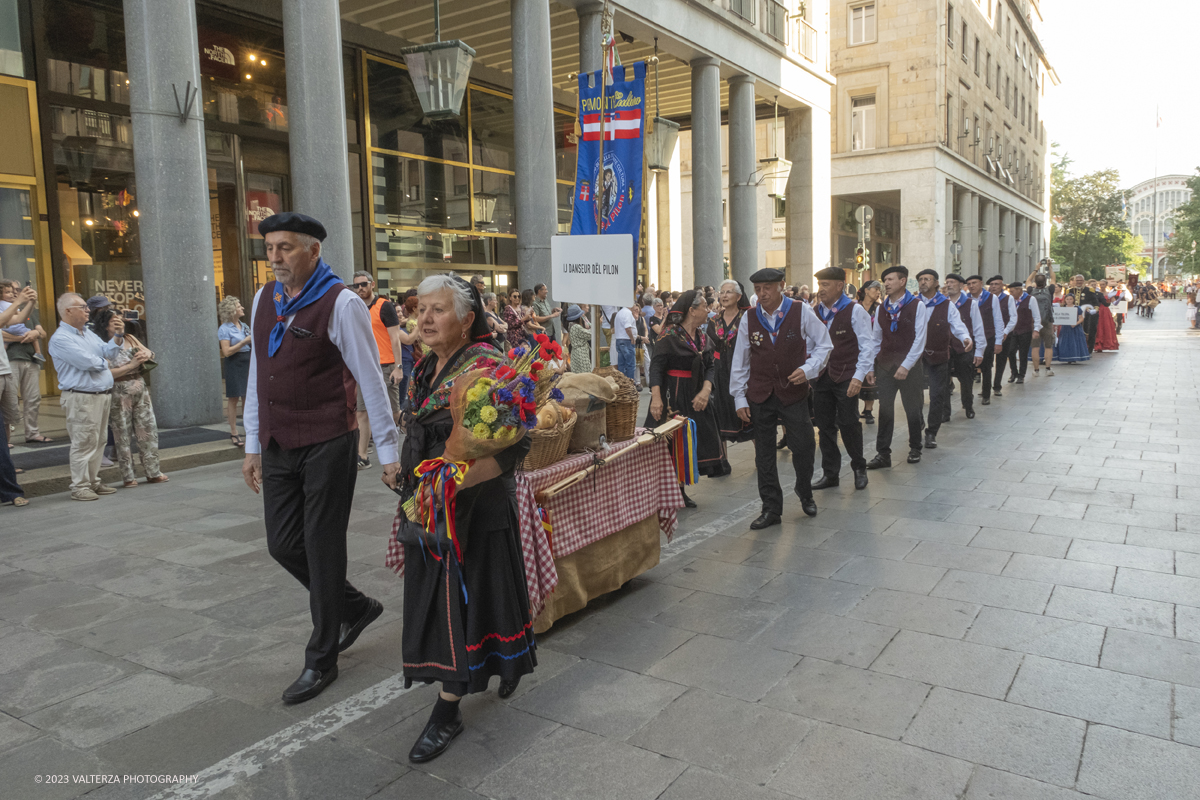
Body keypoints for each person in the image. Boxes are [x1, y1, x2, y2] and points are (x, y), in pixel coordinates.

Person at [240, 213, 395, 706]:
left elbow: (371, 379)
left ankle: (320, 658)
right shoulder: (264, 298)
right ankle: (356, 606)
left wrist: (388, 452)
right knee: (283, 545)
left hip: (329, 441)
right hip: (279, 442)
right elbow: (256, 375)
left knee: (323, 547)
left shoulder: (342, 302)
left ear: (313, 251)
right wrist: (251, 442)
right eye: (270, 249)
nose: (275, 257)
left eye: (285, 248)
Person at [394, 274, 535, 764]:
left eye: (437, 310)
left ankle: (447, 710)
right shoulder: (424, 367)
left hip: (472, 508)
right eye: (420, 310)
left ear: (467, 319)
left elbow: (516, 448)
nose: (424, 319)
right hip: (428, 504)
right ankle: (505, 662)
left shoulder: (491, 368)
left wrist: (454, 483)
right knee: (447, 600)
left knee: (465, 598)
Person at [730, 267, 832, 528]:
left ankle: (804, 490)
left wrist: (809, 369)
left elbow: (825, 344)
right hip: (760, 393)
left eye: (767, 288)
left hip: (792, 392)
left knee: (805, 445)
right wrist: (739, 398)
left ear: (781, 286)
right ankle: (771, 508)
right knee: (763, 454)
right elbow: (740, 360)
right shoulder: (749, 317)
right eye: (757, 289)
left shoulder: (800, 310)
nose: (762, 294)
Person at [49, 292, 149, 500]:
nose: (88, 311)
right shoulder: (61, 338)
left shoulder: (87, 333)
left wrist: (119, 336)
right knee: (83, 442)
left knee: (99, 440)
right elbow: (90, 363)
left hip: (100, 394)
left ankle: (93, 482)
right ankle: (79, 486)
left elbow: (108, 352)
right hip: (81, 396)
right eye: (83, 307)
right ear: (68, 311)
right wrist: (115, 364)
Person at [647, 290, 730, 502]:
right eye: (705, 306)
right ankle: (673, 492)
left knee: (692, 440)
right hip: (672, 394)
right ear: (692, 311)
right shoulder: (669, 336)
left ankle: (680, 490)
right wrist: (656, 398)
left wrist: (706, 390)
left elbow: (710, 365)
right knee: (672, 442)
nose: (708, 310)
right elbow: (656, 368)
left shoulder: (702, 337)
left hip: (696, 394)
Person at [811, 267, 879, 491]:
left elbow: (867, 345)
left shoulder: (855, 310)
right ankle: (831, 474)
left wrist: (859, 377)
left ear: (840, 286)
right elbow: (810, 345)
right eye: (820, 285)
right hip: (821, 377)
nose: (821, 290)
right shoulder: (815, 311)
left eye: (825, 285)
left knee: (849, 423)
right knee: (825, 427)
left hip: (846, 376)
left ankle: (859, 468)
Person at [866, 265, 930, 469]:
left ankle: (915, 447)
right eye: (885, 280)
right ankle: (883, 453)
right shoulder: (881, 307)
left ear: (902, 281)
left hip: (909, 368)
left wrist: (906, 365)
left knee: (913, 409)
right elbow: (875, 339)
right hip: (885, 366)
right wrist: (870, 366)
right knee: (884, 410)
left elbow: (920, 339)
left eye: (890, 280)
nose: (886, 284)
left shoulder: (917, 305)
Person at [100, 312, 167, 488]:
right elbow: (105, 373)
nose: (117, 323)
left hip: (140, 387)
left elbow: (150, 353)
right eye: (113, 321)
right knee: (122, 433)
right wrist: (130, 366)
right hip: (118, 390)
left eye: (118, 320)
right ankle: (128, 476)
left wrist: (147, 355)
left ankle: (153, 471)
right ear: (106, 325)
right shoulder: (102, 345)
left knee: (148, 429)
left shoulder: (130, 338)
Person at [351, 271, 408, 470]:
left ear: (372, 284)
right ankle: (362, 455)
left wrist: (398, 367)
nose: (360, 288)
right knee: (362, 413)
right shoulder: (355, 307)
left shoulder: (384, 306)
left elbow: (395, 338)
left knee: (393, 413)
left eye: (363, 284)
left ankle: (418, 440)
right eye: (356, 285)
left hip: (386, 366)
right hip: (363, 367)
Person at [916, 270, 972, 449]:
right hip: (915, 357)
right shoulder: (913, 303)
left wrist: (965, 337)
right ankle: (917, 423)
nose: (923, 282)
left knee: (937, 394)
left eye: (927, 279)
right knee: (914, 395)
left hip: (938, 356)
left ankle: (932, 432)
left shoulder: (946, 305)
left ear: (936, 283)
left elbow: (957, 324)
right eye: (920, 280)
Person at [0, 285, 37, 507]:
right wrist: (19, 299)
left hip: (3, 372)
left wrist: (30, 302)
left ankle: (10, 491)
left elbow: (16, 321)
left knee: (3, 435)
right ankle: (10, 491)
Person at [0, 280, 50, 444]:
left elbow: (37, 328)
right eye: (11, 290)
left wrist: (35, 333)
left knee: (27, 401)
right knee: (8, 406)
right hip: (10, 360)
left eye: (17, 289)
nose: (15, 292)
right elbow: (3, 327)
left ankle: (31, 433)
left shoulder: (22, 309)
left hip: (28, 359)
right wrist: (21, 338)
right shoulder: (4, 308)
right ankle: (6, 444)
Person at [709, 279, 753, 443]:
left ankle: (761, 459)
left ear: (739, 296)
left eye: (729, 292)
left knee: (748, 416)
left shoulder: (748, 317)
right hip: (720, 372)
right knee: (721, 416)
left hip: (743, 369)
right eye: (722, 292)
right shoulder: (714, 320)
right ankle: (723, 463)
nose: (724, 295)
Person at [943, 274, 985, 419]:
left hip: (964, 349)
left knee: (966, 380)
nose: (949, 285)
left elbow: (978, 328)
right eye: (947, 282)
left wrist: (979, 351)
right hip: (945, 349)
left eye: (952, 282)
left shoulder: (970, 303)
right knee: (943, 381)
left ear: (961, 285)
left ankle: (968, 405)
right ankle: (945, 412)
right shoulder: (942, 303)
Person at [218, 296, 253, 446]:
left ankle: (249, 430)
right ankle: (234, 432)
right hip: (234, 362)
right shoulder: (224, 328)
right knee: (233, 398)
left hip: (248, 360)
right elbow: (226, 352)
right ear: (232, 310)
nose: (242, 308)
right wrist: (244, 341)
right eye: (239, 306)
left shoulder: (243, 325)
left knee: (247, 397)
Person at [966, 275, 1004, 406]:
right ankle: (967, 397)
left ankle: (986, 394)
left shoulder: (991, 298)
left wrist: (998, 341)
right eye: (969, 283)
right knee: (969, 368)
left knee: (986, 367)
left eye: (974, 283)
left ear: (981, 283)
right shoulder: (966, 299)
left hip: (988, 337)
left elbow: (998, 320)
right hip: (971, 339)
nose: (972, 286)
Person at [1003, 282, 1041, 386]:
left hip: (1025, 330)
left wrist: (1036, 329)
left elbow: (1037, 316)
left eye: (1012, 291)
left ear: (1019, 290)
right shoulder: (1010, 300)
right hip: (1012, 331)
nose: (1010, 293)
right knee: (1010, 352)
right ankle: (1013, 372)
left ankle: (1021, 375)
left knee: (1023, 353)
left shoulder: (1030, 299)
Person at [856, 281, 883, 424]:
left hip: (872, 347)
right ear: (866, 290)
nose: (878, 292)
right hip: (856, 347)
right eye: (875, 289)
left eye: (879, 290)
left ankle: (868, 410)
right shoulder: (855, 307)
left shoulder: (879, 308)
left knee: (870, 378)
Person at [988, 275, 1018, 395]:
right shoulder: (986, 298)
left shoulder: (1008, 299)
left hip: (1005, 334)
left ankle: (997, 385)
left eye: (997, 284)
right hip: (989, 333)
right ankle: (986, 386)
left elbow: (1013, 317)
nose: (994, 287)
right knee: (987, 361)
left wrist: (1006, 331)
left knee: (1001, 360)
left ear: (1002, 286)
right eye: (992, 284)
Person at [1025, 273, 1056, 377]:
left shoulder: (1031, 292)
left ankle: (1036, 370)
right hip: (1047, 321)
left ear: (1035, 282)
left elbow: (1027, 281)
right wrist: (1050, 266)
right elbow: (1053, 278)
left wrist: (1036, 269)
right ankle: (1048, 368)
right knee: (1048, 346)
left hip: (1034, 322)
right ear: (1045, 282)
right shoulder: (1049, 290)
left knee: (1035, 346)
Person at [1066, 275, 1101, 349]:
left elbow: (1095, 302)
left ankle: (1089, 349)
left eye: (1080, 280)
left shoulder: (1089, 290)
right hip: (1073, 315)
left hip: (1087, 315)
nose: (1079, 282)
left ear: (1083, 281)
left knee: (1089, 331)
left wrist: (1094, 310)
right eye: (1077, 280)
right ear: (1074, 281)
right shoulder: (1069, 291)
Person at [1053, 293, 1090, 364]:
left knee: (1074, 342)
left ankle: (1074, 356)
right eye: (1067, 299)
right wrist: (1057, 324)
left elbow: (1081, 318)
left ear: (1073, 300)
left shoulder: (1077, 308)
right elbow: (1060, 318)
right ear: (1065, 300)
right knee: (1065, 342)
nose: (1069, 301)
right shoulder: (1062, 308)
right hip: (1065, 328)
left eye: (1070, 299)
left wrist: (1075, 323)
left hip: (1075, 328)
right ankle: (1066, 357)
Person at [611, 302, 637, 382]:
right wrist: (632, 338)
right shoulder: (628, 313)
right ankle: (630, 384)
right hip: (626, 340)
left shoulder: (619, 313)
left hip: (619, 339)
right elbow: (628, 328)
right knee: (630, 365)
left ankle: (622, 384)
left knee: (621, 365)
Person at [564, 304, 592, 373]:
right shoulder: (576, 327)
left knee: (577, 373)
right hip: (581, 353)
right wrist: (597, 324)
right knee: (584, 374)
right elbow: (590, 334)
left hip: (575, 353)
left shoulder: (571, 325)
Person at [1094, 285, 1120, 352]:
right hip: (1098, 310)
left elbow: (1115, 303)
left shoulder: (1109, 294)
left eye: (1103, 284)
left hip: (1105, 311)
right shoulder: (1097, 293)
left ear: (1105, 285)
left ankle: (1105, 344)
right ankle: (1098, 344)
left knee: (1106, 326)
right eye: (1101, 284)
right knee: (1098, 327)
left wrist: (1120, 298)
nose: (1102, 286)